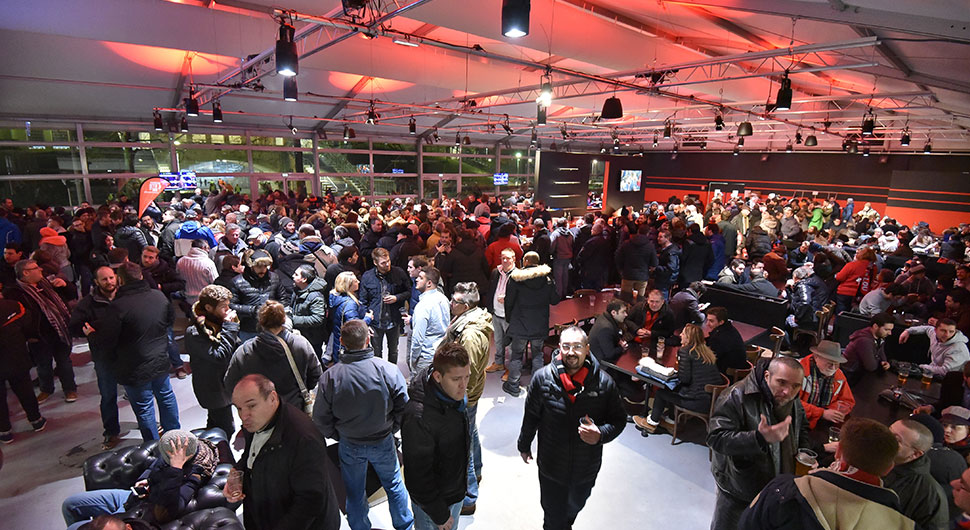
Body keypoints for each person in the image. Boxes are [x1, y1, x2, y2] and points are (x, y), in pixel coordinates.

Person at [517, 326, 626, 530]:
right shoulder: (542, 379)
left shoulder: (604, 383)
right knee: (553, 515)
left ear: (587, 348)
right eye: (566, 346)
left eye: (577, 346)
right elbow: (531, 415)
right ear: (559, 348)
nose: (571, 352)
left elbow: (619, 420)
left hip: (586, 467)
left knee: (574, 507)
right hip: (552, 466)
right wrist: (524, 444)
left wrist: (601, 434)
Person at [312, 320, 412, 530]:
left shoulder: (330, 377)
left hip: (350, 444)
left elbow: (320, 418)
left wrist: (339, 435)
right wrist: (392, 428)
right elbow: (404, 407)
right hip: (383, 439)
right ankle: (404, 525)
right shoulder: (387, 369)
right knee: (394, 485)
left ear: (341, 341)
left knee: (355, 491)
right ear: (368, 339)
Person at [739, 418, 914, 529]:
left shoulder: (783, 490)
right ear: (888, 468)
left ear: (838, 453)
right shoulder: (904, 524)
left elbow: (746, 525)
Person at [225, 374, 341, 530]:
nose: (243, 416)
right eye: (238, 408)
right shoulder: (256, 422)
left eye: (251, 405)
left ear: (272, 398)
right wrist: (238, 472)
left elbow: (310, 500)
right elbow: (251, 454)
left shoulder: (304, 438)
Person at [708, 356, 810, 530]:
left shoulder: (792, 399)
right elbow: (716, 438)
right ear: (766, 375)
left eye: (795, 386)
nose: (788, 391)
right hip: (738, 486)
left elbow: (802, 427)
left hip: (775, 487)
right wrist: (758, 438)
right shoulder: (737, 395)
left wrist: (806, 451)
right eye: (781, 383)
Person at [62, 430, 222, 529]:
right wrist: (145, 480)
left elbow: (173, 505)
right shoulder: (173, 449)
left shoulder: (195, 473)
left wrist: (175, 469)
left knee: (75, 528)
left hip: (138, 512)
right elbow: (153, 466)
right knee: (70, 505)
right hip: (131, 497)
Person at [98, 262, 179, 441]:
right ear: (141, 276)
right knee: (166, 397)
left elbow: (108, 339)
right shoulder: (158, 296)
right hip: (159, 358)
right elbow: (169, 322)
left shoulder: (118, 306)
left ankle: (153, 447)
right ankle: (175, 437)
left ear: (120, 280)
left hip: (133, 365)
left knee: (144, 407)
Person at [401, 341, 472, 530]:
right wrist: (439, 513)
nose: (463, 386)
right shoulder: (418, 416)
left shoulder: (454, 399)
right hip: (433, 507)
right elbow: (417, 476)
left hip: (454, 492)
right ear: (438, 376)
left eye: (467, 377)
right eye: (457, 379)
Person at [442, 282, 493, 515]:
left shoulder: (469, 334)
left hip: (464, 396)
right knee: (470, 432)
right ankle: (479, 469)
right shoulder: (466, 322)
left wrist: (457, 397)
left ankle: (470, 497)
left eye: (454, 301)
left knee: (463, 445)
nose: (450, 303)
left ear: (465, 306)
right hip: (469, 393)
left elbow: (466, 373)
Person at [225, 300, 322, 411]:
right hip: (294, 409)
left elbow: (230, 384)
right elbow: (316, 374)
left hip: (259, 414)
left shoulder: (245, 351)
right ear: (284, 320)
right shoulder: (301, 344)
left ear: (260, 321)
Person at [3, 258, 77, 403]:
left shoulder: (48, 282)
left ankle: (70, 389)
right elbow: (19, 317)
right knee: (43, 365)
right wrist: (29, 334)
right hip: (38, 336)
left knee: (64, 362)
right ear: (26, 273)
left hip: (60, 330)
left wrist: (65, 285)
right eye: (36, 268)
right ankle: (46, 389)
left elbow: (72, 295)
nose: (40, 270)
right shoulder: (14, 293)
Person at [633, 323, 723, 434]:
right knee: (672, 389)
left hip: (697, 401)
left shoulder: (686, 351)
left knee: (661, 392)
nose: (680, 335)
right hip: (712, 400)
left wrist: (675, 374)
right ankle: (671, 421)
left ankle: (650, 424)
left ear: (688, 337)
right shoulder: (706, 352)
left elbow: (685, 379)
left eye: (683, 333)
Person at [68, 265, 120, 449]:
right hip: (103, 355)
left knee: (138, 393)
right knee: (108, 394)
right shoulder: (88, 304)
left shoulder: (124, 296)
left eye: (111, 278)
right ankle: (111, 431)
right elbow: (74, 325)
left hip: (126, 353)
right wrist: (93, 330)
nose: (109, 282)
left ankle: (148, 427)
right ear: (97, 282)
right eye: (104, 279)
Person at [184, 284, 240, 437]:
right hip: (213, 387)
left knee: (216, 423)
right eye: (224, 307)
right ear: (209, 307)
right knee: (226, 428)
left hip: (224, 384)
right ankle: (221, 457)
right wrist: (230, 327)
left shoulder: (218, 323)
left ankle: (209, 453)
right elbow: (220, 356)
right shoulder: (196, 332)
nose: (228, 310)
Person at [503, 251, 559, 397]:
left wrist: (510, 319)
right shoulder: (547, 279)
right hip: (539, 322)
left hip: (520, 322)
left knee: (516, 355)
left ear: (525, 261)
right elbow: (555, 300)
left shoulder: (516, 279)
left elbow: (509, 302)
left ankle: (513, 385)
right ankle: (536, 387)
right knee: (537, 354)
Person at [884, 419, 949, 530]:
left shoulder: (930, 494)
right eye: (887, 431)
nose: (884, 439)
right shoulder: (871, 459)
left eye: (895, 439)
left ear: (915, 454)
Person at [0, 295, 46, 444]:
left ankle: (4, 431)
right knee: (25, 391)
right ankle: (36, 420)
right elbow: (29, 324)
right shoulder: (14, 306)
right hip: (16, 358)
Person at [359, 247, 410, 365]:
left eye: (388, 261)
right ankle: (379, 375)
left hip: (394, 319)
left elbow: (408, 292)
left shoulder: (399, 273)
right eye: (383, 263)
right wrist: (366, 321)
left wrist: (397, 298)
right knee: (376, 352)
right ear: (375, 263)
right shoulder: (367, 277)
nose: (387, 264)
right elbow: (363, 301)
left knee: (394, 351)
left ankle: (392, 374)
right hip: (376, 322)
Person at [229, 249, 290, 341]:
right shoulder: (237, 282)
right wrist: (252, 310)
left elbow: (283, 299)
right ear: (251, 266)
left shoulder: (274, 278)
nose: (262, 269)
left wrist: (275, 309)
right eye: (258, 266)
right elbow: (231, 305)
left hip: (272, 327)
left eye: (265, 266)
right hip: (249, 329)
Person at [797, 340, 856, 430]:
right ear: (816, 357)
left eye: (836, 363)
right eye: (829, 363)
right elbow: (792, 404)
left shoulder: (839, 375)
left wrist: (832, 412)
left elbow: (848, 401)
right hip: (799, 424)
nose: (833, 367)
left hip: (821, 425)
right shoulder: (798, 372)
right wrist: (822, 413)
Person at [407, 266, 451, 383]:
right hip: (441, 353)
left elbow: (418, 339)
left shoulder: (423, 306)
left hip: (425, 358)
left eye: (421, 278)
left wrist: (413, 361)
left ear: (429, 283)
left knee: (422, 394)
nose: (416, 279)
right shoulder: (443, 298)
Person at [484, 247, 516, 378]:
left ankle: (511, 368)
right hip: (496, 312)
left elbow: (518, 297)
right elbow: (491, 290)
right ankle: (499, 363)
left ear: (514, 259)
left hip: (509, 315)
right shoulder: (495, 272)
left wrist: (507, 299)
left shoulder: (518, 276)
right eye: (502, 258)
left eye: (508, 258)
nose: (505, 260)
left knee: (512, 345)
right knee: (497, 341)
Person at [329, 271, 373, 364]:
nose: (359, 282)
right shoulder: (350, 303)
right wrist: (368, 319)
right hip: (349, 347)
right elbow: (354, 327)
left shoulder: (335, 297)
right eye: (355, 281)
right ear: (348, 285)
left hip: (339, 342)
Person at [902, 319, 970, 378]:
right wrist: (908, 331)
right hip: (932, 372)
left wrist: (922, 367)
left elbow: (945, 371)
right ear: (936, 330)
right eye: (943, 331)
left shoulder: (958, 349)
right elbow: (927, 328)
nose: (947, 334)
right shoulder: (934, 334)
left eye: (951, 331)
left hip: (949, 380)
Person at [842, 312, 895, 385]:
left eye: (890, 330)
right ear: (875, 326)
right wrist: (880, 362)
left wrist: (885, 362)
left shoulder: (879, 337)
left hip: (861, 374)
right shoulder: (864, 341)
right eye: (886, 329)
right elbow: (871, 366)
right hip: (851, 376)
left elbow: (881, 354)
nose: (890, 333)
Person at [290, 264, 328, 361]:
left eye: (296, 274)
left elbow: (317, 319)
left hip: (312, 340)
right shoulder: (298, 290)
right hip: (301, 336)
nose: (293, 276)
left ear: (304, 279)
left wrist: (293, 319)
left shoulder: (315, 297)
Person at [623, 288, 676, 355]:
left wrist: (652, 333)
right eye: (651, 301)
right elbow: (627, 320)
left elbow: (669, 332)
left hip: (654, 343)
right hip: (633, 339)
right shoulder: (639, 307)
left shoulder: (668, 314)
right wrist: (637, 329)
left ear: (663, 302)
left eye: (657, 302)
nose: (654, 304)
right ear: (647, 300)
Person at [614, 223, 658, 300]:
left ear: (638, 231)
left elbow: (617, 257)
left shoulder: (627, 243)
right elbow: (654, 263)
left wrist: (621, 269)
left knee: (625, 298)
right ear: (648, 233)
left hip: (628, 274)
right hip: (642, 275)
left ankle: (624, 311)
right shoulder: (650, 246)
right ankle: (637, 311)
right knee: (640, 299)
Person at [703, 306, 748, 375]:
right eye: (707, 320)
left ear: (721, 322)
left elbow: (712, 358)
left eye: (711, 321)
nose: (707, 324)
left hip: (729, 373)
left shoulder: (721, 337)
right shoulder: (728, 328)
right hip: (738, 365)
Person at [175, 238, 217, 308]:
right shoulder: (208, 263)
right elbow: (215, 282)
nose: (209, 250)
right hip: (204, 299)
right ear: (204, 248)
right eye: (208, 248)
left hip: (186, 298)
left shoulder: (181, 261)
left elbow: (178, 277)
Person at [587, 299, 629, 364]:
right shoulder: (606, 328)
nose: (626, 314)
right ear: (613, 313)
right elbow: (610, 354)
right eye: (623, 312)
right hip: (600, 364)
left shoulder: (604, 317)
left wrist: (618, 341)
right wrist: (622, 348)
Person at [654, 229, 681, 299]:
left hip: (665, 280)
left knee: (662, 298)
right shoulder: (664, 250)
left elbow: (671, 267)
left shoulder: (671, 252)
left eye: (660, 237)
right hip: (662, 278)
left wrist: (656, 268)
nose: (658, 239)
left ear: (667, 238)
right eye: (658, 237)